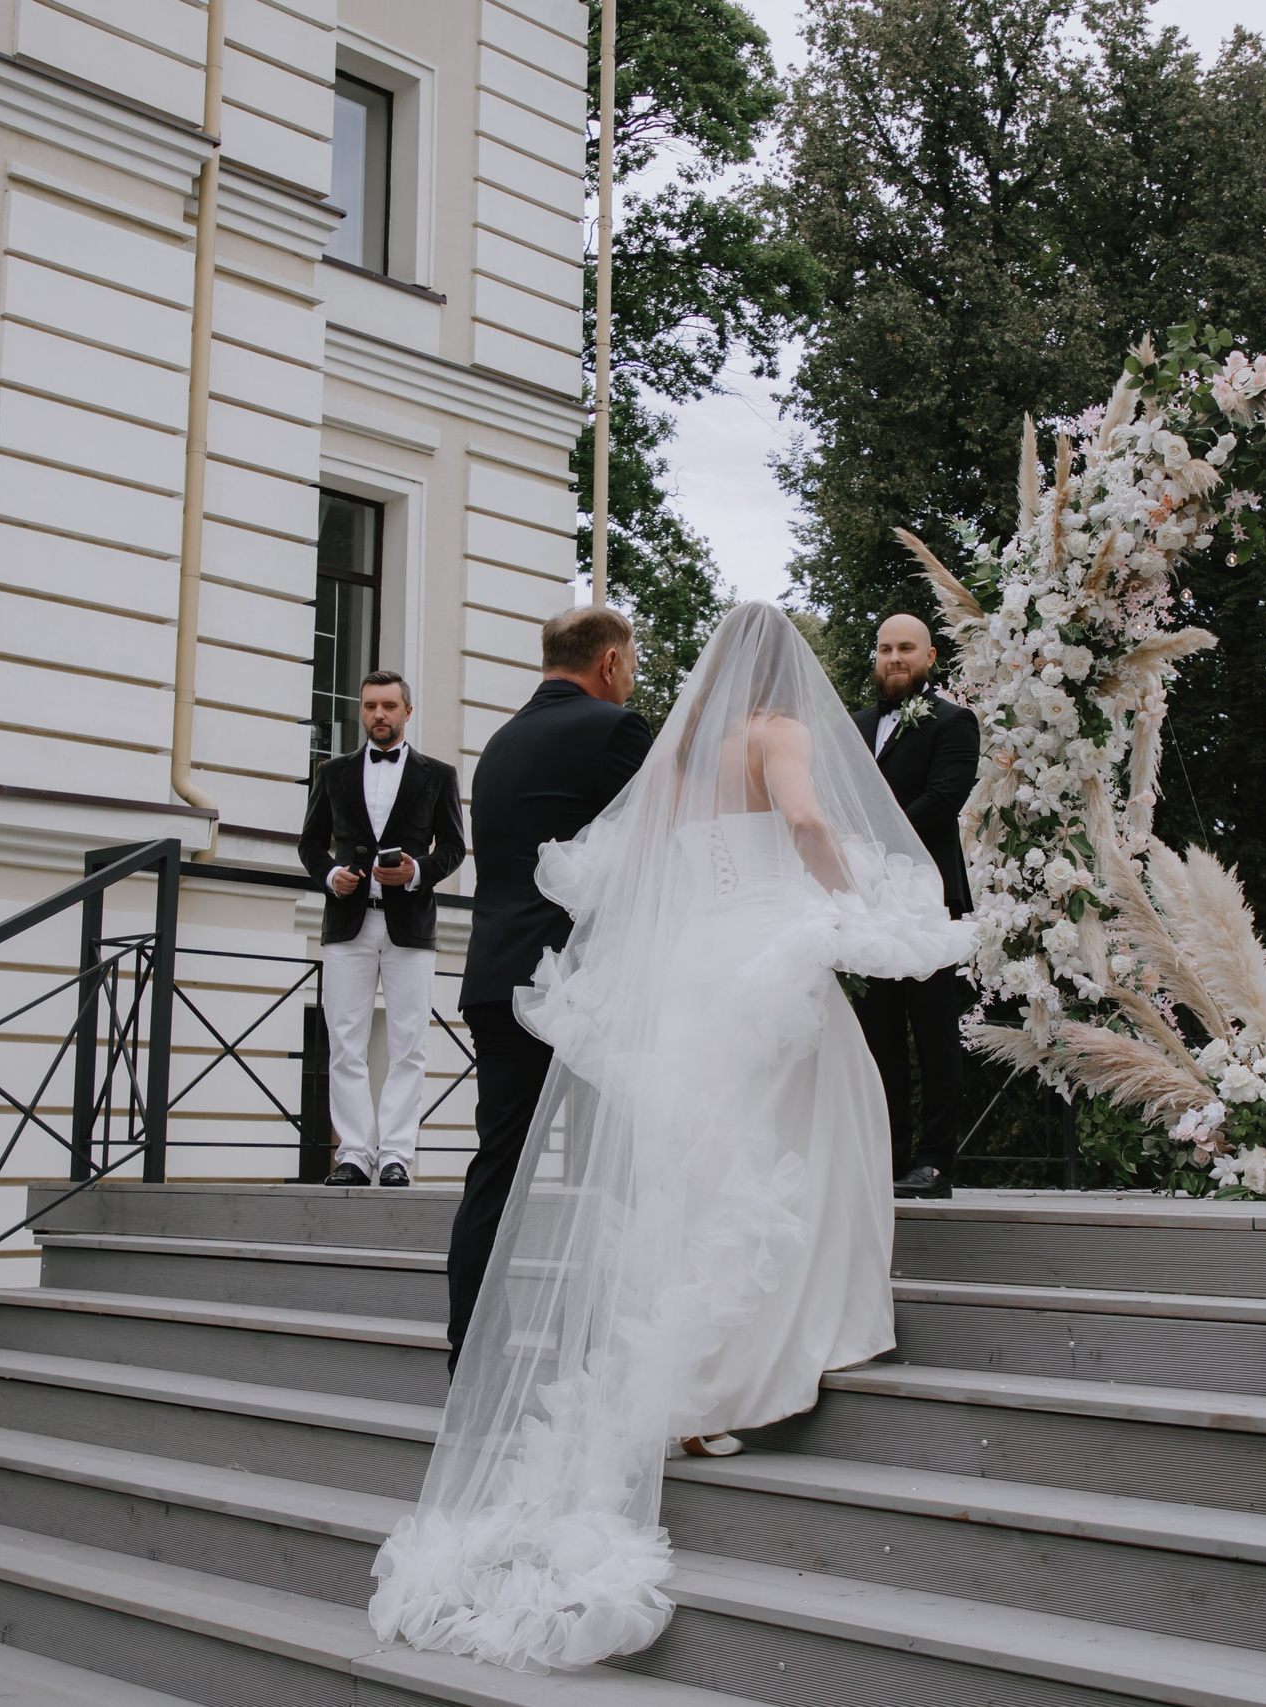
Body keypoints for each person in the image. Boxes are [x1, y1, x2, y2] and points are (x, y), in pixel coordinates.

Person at [368, 602, 972, 1675]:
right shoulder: (772, 734)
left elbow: (630, 862)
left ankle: (660, 1378)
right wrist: (848, 907)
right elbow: (803, 826)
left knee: (700, 1168)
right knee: (820, 1132)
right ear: (783, 670)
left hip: (689, 971)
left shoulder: (673, 753)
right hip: (767, 961)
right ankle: (769, 1354)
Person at [445, 605, 651, 1368]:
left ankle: (471, 1342)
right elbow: (657, 845)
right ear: (607, 663)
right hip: (583, 985)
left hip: (498, 978)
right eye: (629, 665)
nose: (630, 680)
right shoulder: (614, 731)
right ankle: (610, 1345)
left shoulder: (497, 743)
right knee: (618, 1165)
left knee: (498, 1166)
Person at [299, 671, 466, 1188]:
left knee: (408, 1043)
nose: (379, 715)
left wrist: (415, 872)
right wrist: (331, 876)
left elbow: (454, 848)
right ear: (362, 711)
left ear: (406, 712)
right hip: (347, 924)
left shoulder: (437, 774)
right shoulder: (333, 773)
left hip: (410, 926)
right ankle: (353, 1154)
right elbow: (309, 844)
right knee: (344, 1041)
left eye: (389, 706)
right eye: (371, 706)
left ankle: (395, 1155)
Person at [851, 613, 982, 1199]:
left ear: (930, 658)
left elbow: (942, 799)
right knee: (877, 1035)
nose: (894, 657)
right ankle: (888, 1154)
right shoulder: (851, 729)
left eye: (906, 648)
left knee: (933, 1033)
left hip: (928, 899)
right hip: (863, 904)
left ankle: (933, 1161)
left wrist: (869, 839)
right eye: (884, 649)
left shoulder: (955, 723)